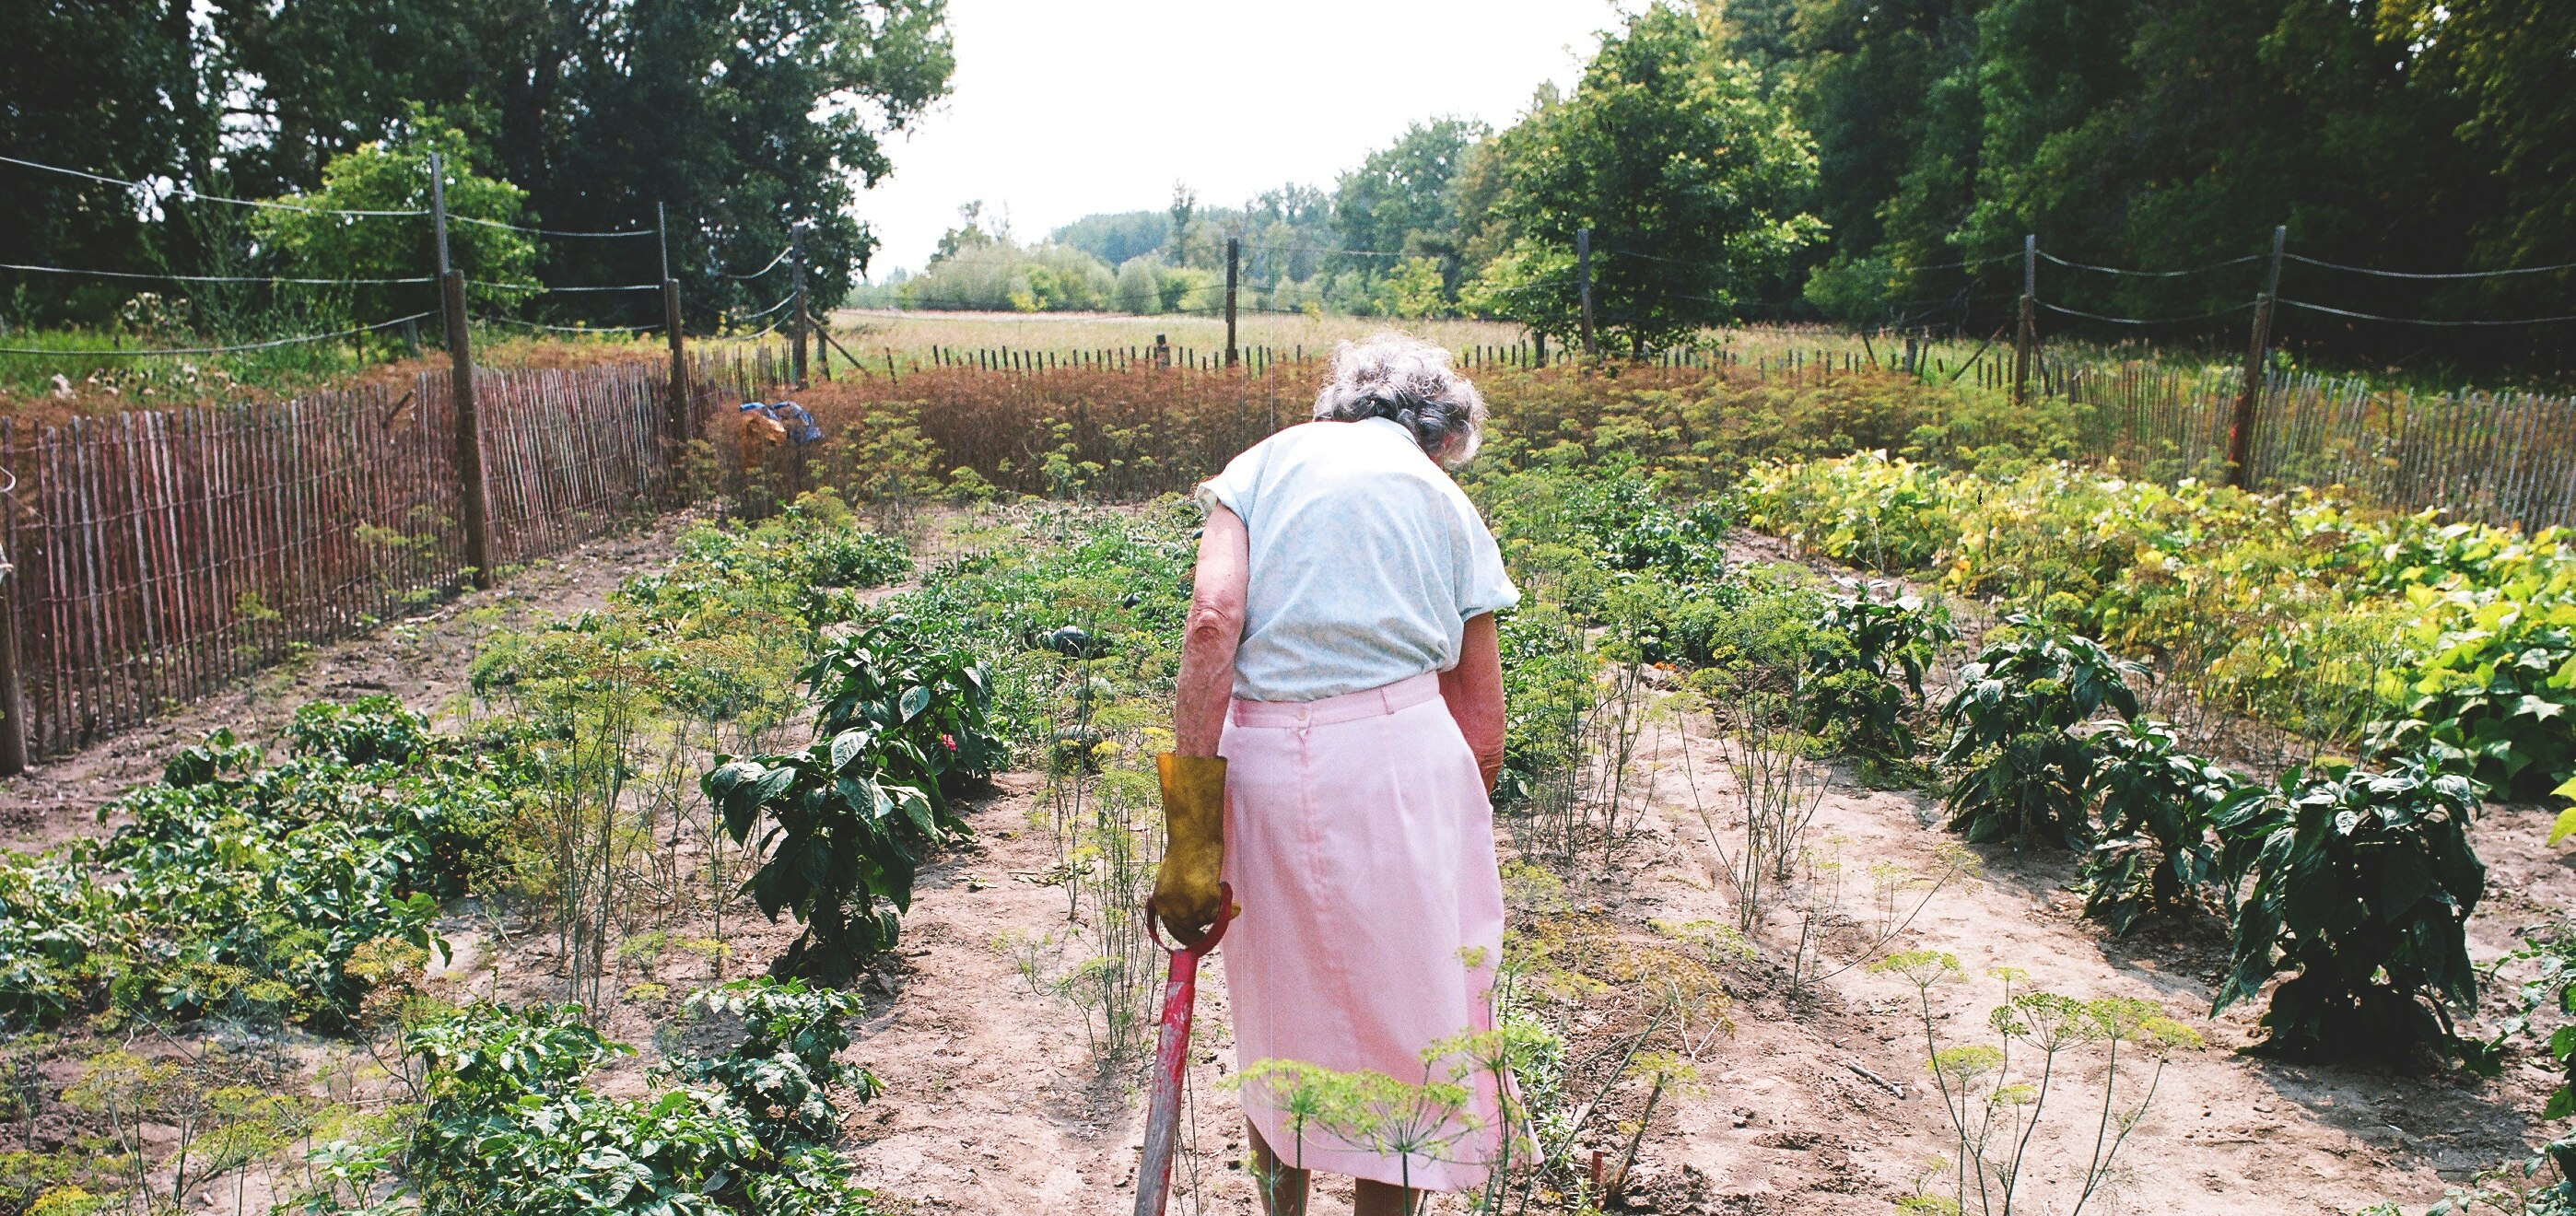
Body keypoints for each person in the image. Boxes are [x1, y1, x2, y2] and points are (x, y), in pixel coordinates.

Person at [1154, 333, 1516, 1215]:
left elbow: (1212, 622)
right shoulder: (1443, 498)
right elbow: (1481, 726)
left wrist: (1193, 835)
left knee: (1280, 1021)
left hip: (1264, 768)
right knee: (1408, 1032)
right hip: (1402, 763)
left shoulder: (1260, 469)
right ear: (1437, 436)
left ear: (1341, 405)